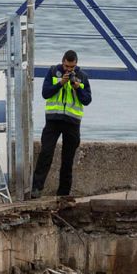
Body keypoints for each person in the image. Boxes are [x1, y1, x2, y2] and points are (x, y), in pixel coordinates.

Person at [30, 49, 91, 197]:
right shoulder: (52, 72)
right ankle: (36, 189)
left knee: (67, 159)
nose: (69, 70)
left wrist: (77, 87)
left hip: (72, 122)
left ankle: (63, 193)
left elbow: (87, 100)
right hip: (53, 120)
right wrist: (60, 83)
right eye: (66, 67)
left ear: (76, 64)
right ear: (62, 62)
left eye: (72, 67)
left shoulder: (82, 77)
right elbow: (45, 93)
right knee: (46, 153)